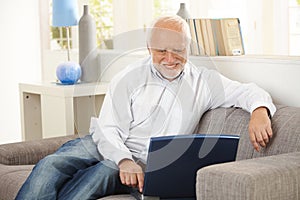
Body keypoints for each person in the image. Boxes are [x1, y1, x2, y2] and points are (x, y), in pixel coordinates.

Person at [16, 15, 276, 200]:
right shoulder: (129, 77)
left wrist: (259, 111)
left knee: (98, 176)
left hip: (145, 160)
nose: (170, 58)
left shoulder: (204, 81)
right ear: (149, 48)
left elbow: (248, 91)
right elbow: (108, 130)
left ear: (188, 48)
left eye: (178, 50)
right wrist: (125, 159)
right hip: (104, 142)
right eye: (162, 50)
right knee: (51, 164)